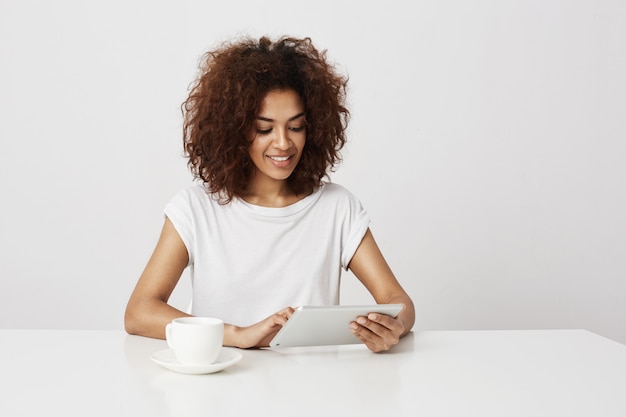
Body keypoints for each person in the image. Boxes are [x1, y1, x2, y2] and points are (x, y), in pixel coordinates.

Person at [124, 35, 415, 353]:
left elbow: (397, 302)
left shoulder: (337, 208)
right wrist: (237, 335)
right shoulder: (195, 208)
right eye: (264, 129)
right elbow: (139, 312)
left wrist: (393, 328)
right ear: (233, 130)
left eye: (296, 126)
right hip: (219, 391)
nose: (283, 143)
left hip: (313, 390)